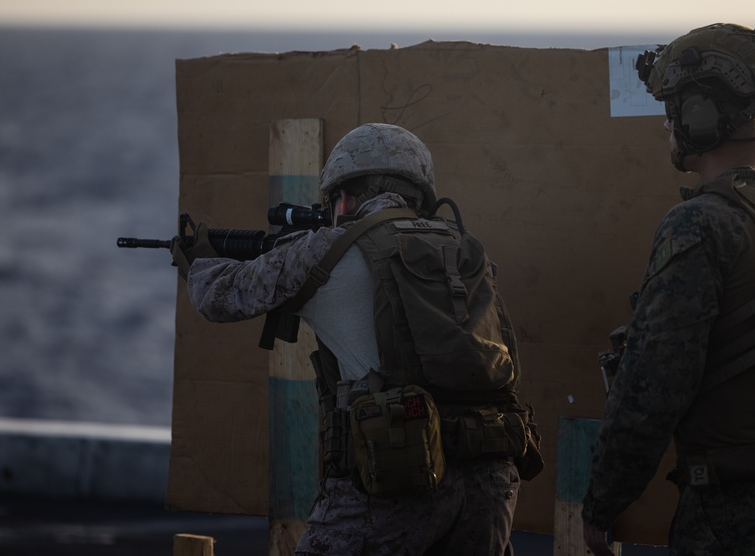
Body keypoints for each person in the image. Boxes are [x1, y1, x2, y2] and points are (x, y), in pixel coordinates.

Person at [172, 123, 542, 556]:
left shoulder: (327, 249)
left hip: (397, 473)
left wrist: (197, 260)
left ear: (344, 197)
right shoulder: (466, 251)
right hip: (490, 478)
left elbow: (221, 297)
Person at [582, 24, 755, 555]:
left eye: (675, 107)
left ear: (702, 114)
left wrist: (602, 505)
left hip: (737, 518)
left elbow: (654, 384)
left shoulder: (701, 224)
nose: (667, 123)